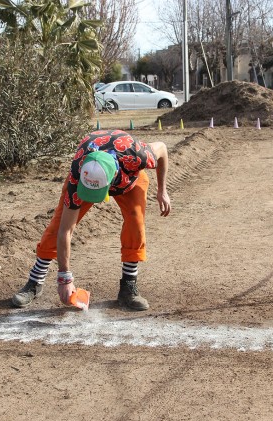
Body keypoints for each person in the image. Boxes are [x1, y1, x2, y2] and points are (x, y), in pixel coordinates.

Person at [11, 129, 171, 311]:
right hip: (90, 176)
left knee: (136, 224)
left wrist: (162, 190)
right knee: (57, 225)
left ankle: (128, 286)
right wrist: (64, 277)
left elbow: (163, 149)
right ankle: (35, 281)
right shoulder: (78, 173)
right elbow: (65, 231)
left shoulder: (138, 155)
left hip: (129, 180)